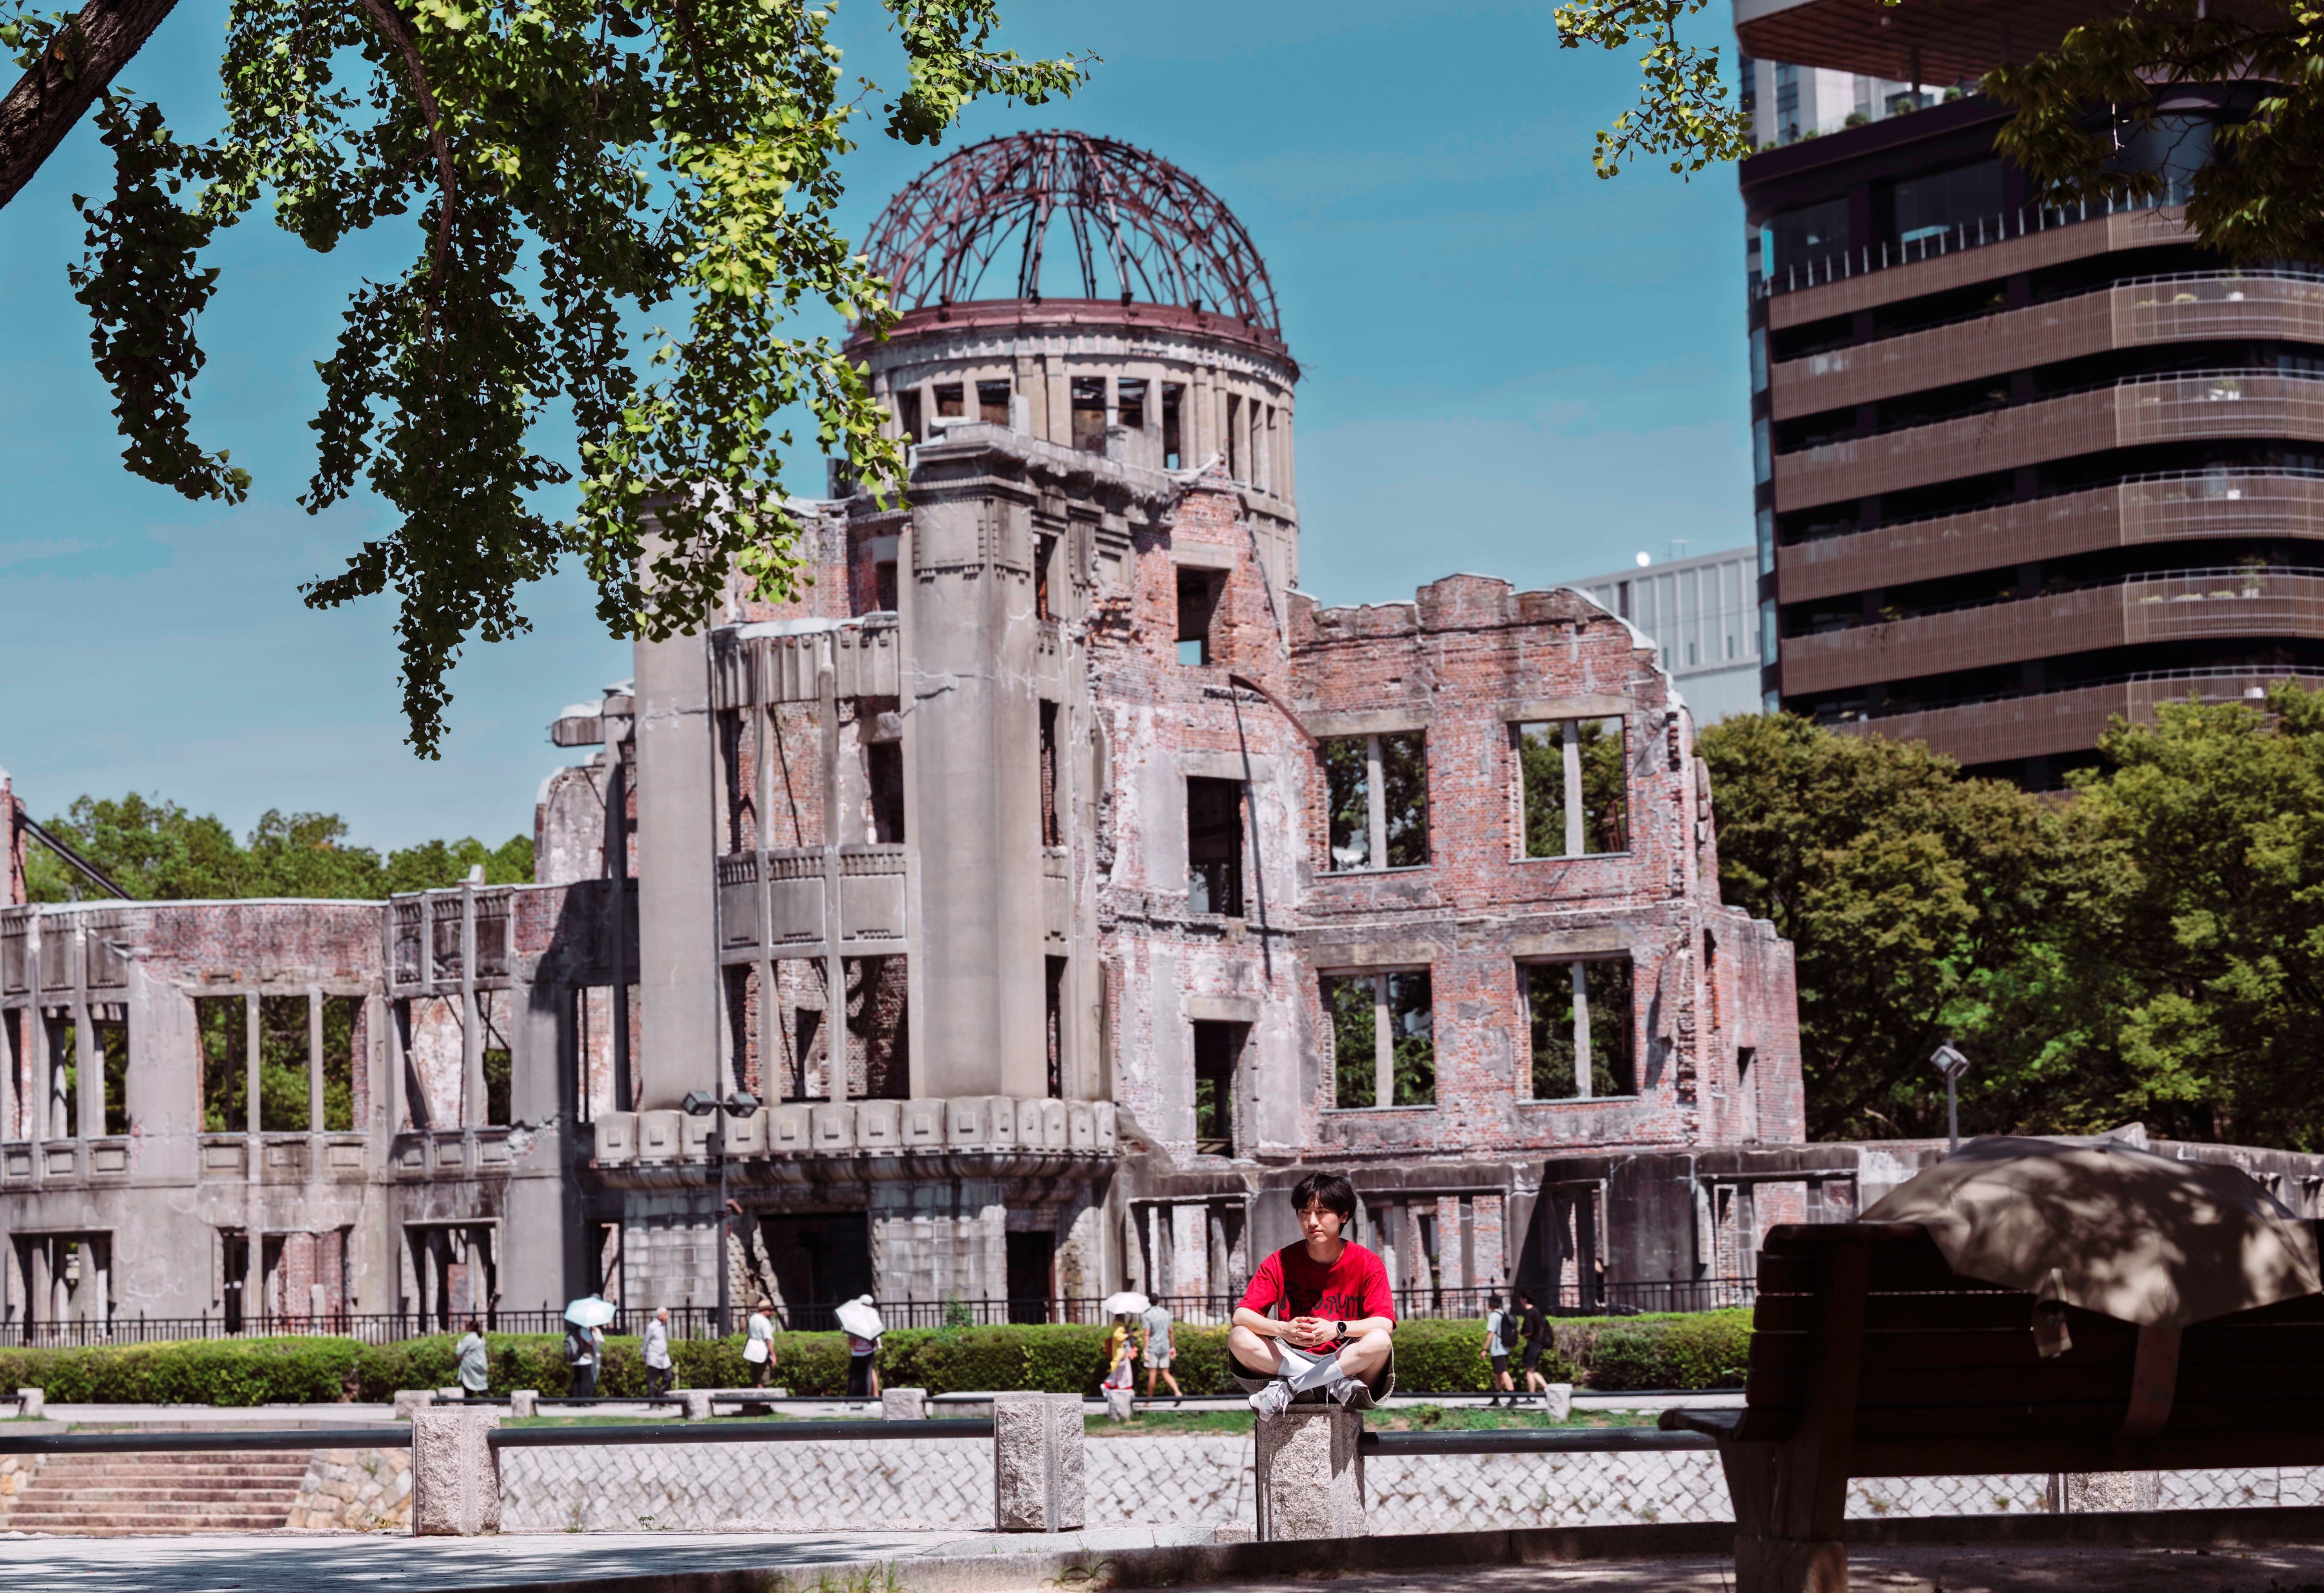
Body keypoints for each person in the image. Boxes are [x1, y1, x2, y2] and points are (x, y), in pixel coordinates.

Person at [1229, 1171, 1397, 1416]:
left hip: (1348, 1365)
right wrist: (1283, 1329)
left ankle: (1295, 1385)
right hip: (1293, 1360)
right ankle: (1328, 1380)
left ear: (1344, 1216)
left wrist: (1337, 1329)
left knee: (1380, 1341)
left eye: (1322, 1212)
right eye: (1305, 1213)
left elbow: (1385, 1323)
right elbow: (1241, 1316)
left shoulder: (1367, 1262)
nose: (1312, 1222)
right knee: (1239, 1337)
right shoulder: (1280, 1261)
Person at [1140, 1298, 1183, 1405]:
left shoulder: (1147, 1315)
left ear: (1149, 1302)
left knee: (1152, 1374)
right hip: (1165, 1346)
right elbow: (1171, 1331)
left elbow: (1146, 1334)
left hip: (1153, 1347)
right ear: (1158, 1301)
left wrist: (1145, 1350)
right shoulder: (1166, 1313)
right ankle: (1178, 1392)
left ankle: (1149, 1400)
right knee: (1165, 1372)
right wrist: (1173, 1347)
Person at [1516, 1288, 1552, 1397]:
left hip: (1533, 1343)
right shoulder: (1537, 1311)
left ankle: (1532, 1396)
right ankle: (1547, 1389)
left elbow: (1529, 1331)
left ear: (1525, 1300)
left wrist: (1522, 1334)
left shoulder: (1530, 1313)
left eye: (1521, 1300)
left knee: (1529, 1372)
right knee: (1531, 1369)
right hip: (1538, 1343)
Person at [1480, 1293, 1514, 1407]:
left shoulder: (1493, 1316)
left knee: (1503, 1372)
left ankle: (1513, 1397)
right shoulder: (1502, 1313)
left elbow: (1491, 1333)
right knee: (1498, 1374)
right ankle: (1497, 1397)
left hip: (1497, 1349)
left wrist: (1484, 1349)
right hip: (1504, 1347)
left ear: (1492, 1304)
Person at [844, 1301, 881, 1401]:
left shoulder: (870, 1321)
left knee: (866, 1377)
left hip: (865, 1354)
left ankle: (871, 1398)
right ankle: (870, 1398)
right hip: (861, 1353)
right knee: (861, 1377)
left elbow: (853, 1345)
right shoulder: (860, 1323)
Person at [744, 1298, 780, 1390]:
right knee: (762, 1379)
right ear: (765, 1310)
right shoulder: (765, 1322)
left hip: (753, 1351)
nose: (773, 1313)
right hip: (762, 1353)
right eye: (771, 1310)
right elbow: (768, 1340)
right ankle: (761, 1400)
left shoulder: (752, 1318)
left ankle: (755, 1399)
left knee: (755, 1378)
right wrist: (774, 1356)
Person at [563, 1317, 602, 1399]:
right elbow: (591, 1342)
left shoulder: (572, 1331)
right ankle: (585, 1400)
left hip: (575, 1358)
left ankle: (576, 1400)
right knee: (586, 1380)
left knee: (577, 1380)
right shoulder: (583, 1330)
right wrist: (594, 1332)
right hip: (585, 1359)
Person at [1102, 1313, 1136, 1396]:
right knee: (1120, 1372)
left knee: (1123, 1373)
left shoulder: (1120, 1323)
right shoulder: (1118, 1323)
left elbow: (1122, 1332)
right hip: (1121, 1352)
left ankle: (1116, 1387)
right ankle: (1107, 1386)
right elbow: (1118, 1337)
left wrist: (1128, 1326)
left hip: (1123, 1351)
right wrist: (1129, 1334)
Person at [643, 1306, 674, 1399]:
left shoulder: (663, 1326)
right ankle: (653, 1402)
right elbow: (645, 1343)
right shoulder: (652, 1327)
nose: (667, 1317)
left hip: (664, 1358)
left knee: (668, 1377)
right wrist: (644, 1356)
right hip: (654, 1357)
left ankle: (661, 1397)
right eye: (665, 1315)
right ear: (660, 1316)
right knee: (652, 1382)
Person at [456, 1318, 490, 1400]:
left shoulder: (469, 1338)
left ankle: (467, 1410)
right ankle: (490, 1406)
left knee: (468, 1391)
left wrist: (459, 1346)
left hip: (470, 1367)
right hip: (481, 1365)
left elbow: (459, 1353)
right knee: (483, 1388)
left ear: (470, 1327)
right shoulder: (482, 1338)